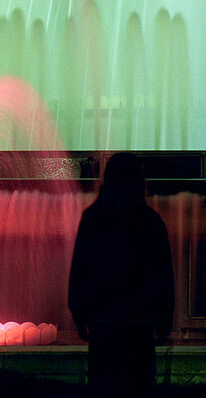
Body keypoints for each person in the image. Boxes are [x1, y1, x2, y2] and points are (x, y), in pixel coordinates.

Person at [68, 151, 174, 396]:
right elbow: (162, 276)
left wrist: (79, 313)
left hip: (102, 322)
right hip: (139, 324)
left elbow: (80, 269)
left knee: (103, 384)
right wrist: (164, 318)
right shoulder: (151, 221)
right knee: (138, 385)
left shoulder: (92, 219)